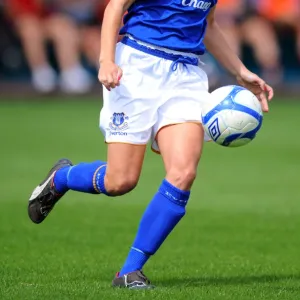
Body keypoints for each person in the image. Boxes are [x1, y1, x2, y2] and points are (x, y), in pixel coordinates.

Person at [28, 0, 273, 289]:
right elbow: (115, 7)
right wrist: (106, 60)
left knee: (183, 173)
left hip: (186, 75)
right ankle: (62, 177)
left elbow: (208, 23)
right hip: (137, 67)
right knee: (120, 181)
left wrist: (240, 71)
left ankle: (130, 272)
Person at [5, 0, 92, 93]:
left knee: (62, 26)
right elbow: (16, 12)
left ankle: (71, 72)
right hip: (22, 22)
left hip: (46, 19)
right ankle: (42, 74)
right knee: (30, 29)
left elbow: (55, 9)